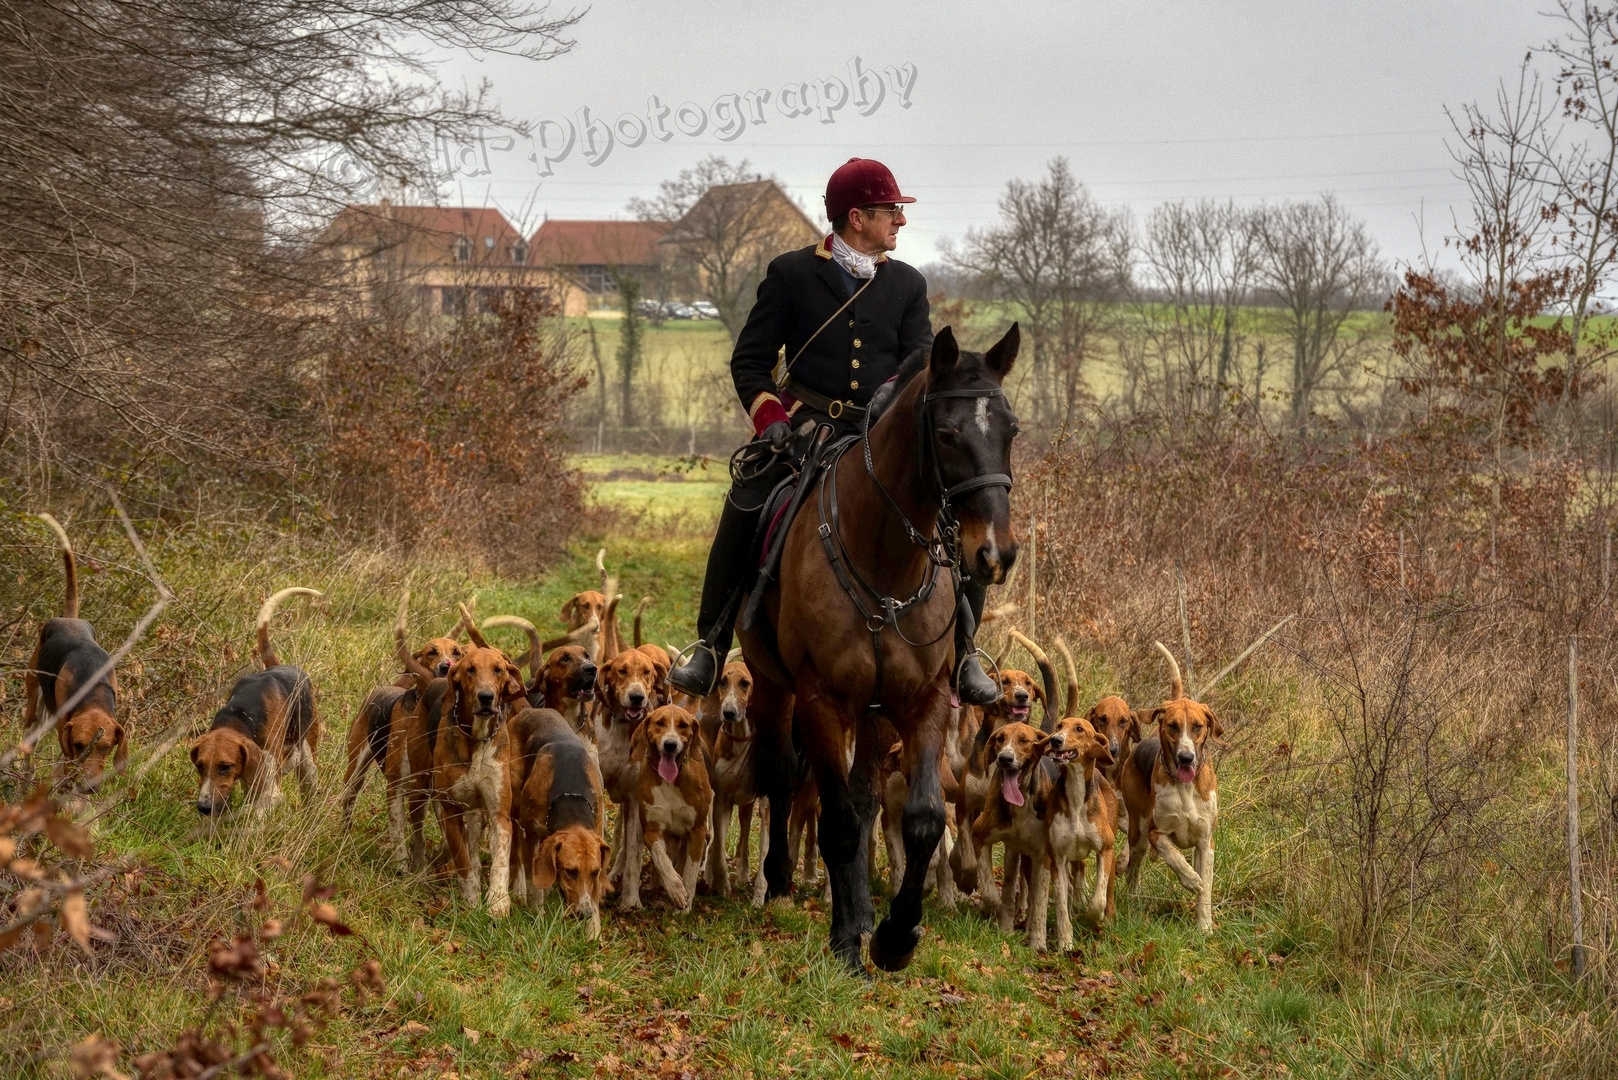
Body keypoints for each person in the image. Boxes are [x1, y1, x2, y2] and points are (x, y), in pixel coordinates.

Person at [667, 158, 1000, 707]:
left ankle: (965, 654)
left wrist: (889, 415)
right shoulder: (792, 274)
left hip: (881, 433)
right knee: (747, 498)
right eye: (891, 211)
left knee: (955, 512)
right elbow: (750, 363)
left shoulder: (907, 283)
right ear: (857, 217)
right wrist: (775, 422)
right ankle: (710, 642)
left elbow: (919, 361)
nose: (901, 221)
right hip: (802, 429)